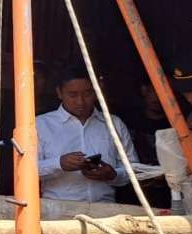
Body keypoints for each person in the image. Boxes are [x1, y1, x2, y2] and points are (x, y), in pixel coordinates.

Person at [36, 66, 138, 205]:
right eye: (73, 95)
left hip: (105, 210)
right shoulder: (40, 125)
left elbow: (134, 168)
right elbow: (26, 171)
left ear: (97, 91)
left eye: (88, 93)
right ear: (59, 93)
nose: (81, 102)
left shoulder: (113, 123)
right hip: (58, 210)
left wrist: (113, 175)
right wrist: (59, 164)